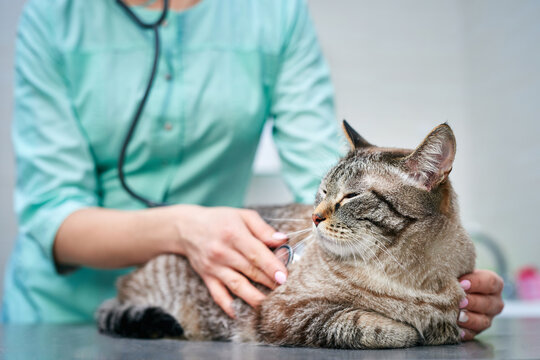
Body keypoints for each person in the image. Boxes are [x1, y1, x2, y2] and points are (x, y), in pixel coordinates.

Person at [2, 0, 502, 341]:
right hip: (57, 317)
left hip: (220, 298)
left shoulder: (272, 12)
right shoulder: (54, 15)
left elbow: (327, 177)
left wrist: (428, 272)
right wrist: (183, 227)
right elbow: (50, 215)